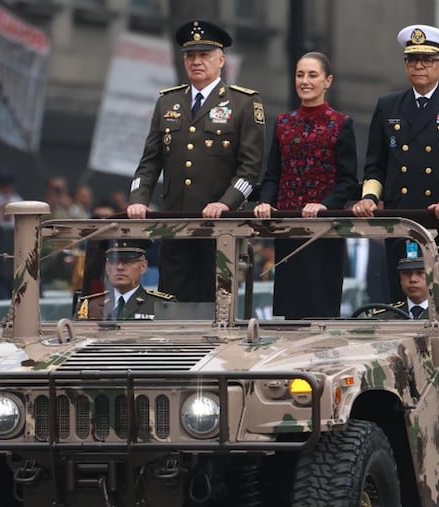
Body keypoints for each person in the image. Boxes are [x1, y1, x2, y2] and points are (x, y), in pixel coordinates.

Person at [126, 19, 265, 303]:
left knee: (216, 306)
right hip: (175, 223)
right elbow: (150, 161)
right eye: (190, 56)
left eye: (204, 55)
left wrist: (226, 203)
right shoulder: (168, 102)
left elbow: (250, 169)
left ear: (221, 60)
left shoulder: (243, 103)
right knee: (172, 306)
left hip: (219, 228)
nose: (197, 62)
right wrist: (138, 198)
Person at [352, 24, 439, 300]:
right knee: (399, 300)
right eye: (412, 60)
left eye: (427, 60)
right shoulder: (388, 106)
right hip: (400, 219)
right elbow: (375, 165)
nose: (419, 66)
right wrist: (368, 197)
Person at [253, 51, 358, 318]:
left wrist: (324, 205)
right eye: (300, 75)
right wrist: (265, 201)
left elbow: (347, 181)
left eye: (313, 75)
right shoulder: (283, 123)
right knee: (289, 309)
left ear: (328, 81)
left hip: (324, 230)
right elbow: (273, 173)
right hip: (288, 227)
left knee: (320, 307)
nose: (305, 81)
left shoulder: (341, 123)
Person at [371, 241, 439, 422]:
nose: (413, 279)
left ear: (433, 276)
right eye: (406, 274)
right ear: (399, 278)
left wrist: (429, 361)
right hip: (391, 394)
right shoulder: (383, 316)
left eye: (420, 273)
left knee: (414, 417)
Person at [77, 240, 174, 320]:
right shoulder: (90, 305)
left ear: (143, 266)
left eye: (127, 262)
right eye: (114, 262)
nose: (119, 267)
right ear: (107, 267)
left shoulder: (161, 306)